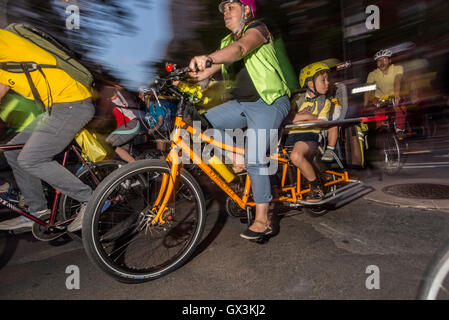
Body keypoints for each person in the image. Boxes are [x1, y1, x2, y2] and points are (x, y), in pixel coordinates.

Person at [188, 0, 297, 240]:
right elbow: (207, 72)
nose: (225, 12)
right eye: (223, 9)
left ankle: (263, 220)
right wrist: (185, 76)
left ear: (246, 10)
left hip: (269, 101)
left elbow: (240, 49)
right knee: (196, 124)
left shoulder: (260, 28)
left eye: (231, 7)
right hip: (240, 105)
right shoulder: (225, 43)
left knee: (257, 159)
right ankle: (237, 156)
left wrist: (207, 57)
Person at [0, 28, 94, 232]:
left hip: (73, 103)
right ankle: (38, 210)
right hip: (55, 108)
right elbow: (1, 88)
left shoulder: (3, 40)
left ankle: (92, 200)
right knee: (12, 150)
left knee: (31, 158)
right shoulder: (4, 63)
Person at [287, 62, 331, 202]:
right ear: (310, 84)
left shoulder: (325, 102)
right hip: (290, 136)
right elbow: (287, 118)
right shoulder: (297, 100)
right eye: (323, 80)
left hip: (310, 136)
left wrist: (297, 119)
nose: (328, 83)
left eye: (327, 79)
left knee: (296, 156)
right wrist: (307, 117)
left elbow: (321, 122)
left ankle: (316, 188)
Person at [364, 49, 406, 138]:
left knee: (400, 108)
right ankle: (381, 126)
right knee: (377, 108)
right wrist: (365, 104)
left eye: (384, 59)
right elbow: (367, 90)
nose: (381, 63)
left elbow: (397, 81)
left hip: (394, 95)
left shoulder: (397, 68)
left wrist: (397, 96)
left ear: (390, 60)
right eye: (379, 60)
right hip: (380, 98)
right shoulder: (373, 74)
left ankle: (399, 129)